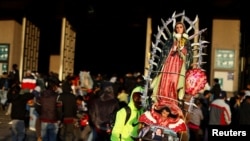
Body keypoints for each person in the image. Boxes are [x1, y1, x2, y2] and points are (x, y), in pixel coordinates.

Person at [151, 21, 192, 115]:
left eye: (180, 27)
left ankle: (172, 102)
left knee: (174, 82)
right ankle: (162, 101)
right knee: (165, 82)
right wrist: (172, 49)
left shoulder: (186, 41)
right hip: (169, 65)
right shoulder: (170, 40)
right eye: (177, 27)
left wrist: (182, 49)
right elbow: (164, 53)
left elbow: (189, 56)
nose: (178, 29)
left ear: (183, 29)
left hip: (178, 66)